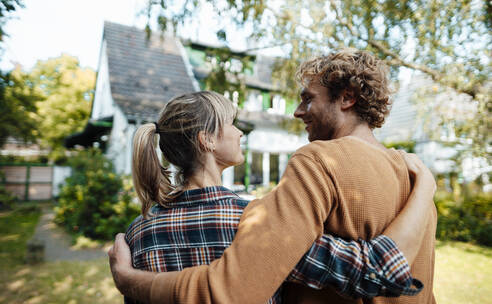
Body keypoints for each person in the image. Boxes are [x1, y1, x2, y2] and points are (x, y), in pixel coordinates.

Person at [109, 49, 437, 304]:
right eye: (232, 123)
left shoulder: (136, 233)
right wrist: (425, 188)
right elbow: (377, 271)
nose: (241, 133)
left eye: (307, 98)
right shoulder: (250, 219)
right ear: (206, 140)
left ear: (348, 98)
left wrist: (127, 279)